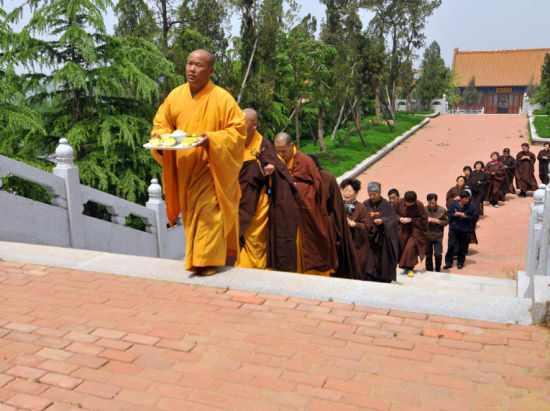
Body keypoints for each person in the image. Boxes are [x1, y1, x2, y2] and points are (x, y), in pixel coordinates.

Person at [150, 49, 246, 276]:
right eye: (189, 63)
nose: (192, 69)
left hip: (210, 168)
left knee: (209, 213)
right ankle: (197, 259)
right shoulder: (176, 95)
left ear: (211, 71)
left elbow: (237, 132)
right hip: (185, 169)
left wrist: (212, 139)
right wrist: (160, 136)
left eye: (198, 65)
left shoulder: (223, 98)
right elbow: (161, 122)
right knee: (192, 215)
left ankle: (206, 261)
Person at [236, 109, 299, 271]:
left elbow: (278, 169)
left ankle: (258, 271)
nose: (238, 127)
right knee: (239, 239)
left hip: (257, 205)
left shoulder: (262, 145)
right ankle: (244, 267)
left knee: (256, 242)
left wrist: (271, 170)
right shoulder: (234, 141)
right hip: (237, 202)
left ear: (254, 125)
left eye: (242, 124)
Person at [274, 132, 335, 276]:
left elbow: (317, 188)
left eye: (283, 151)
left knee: (308, 244)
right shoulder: (277, 161)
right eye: (278, 151)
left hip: (305, 213)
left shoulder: (305, 161)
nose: (281, 154)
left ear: (292, 146)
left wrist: (296, 187)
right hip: (285, 214)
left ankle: (311, 272)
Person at [309, 155, 361, 279]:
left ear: (317, 166)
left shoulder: (328, 178)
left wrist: (335, 227)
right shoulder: (302, 178)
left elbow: (336, 206)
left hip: (326, 224)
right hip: (308, 225)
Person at [362, 182, 400, 283]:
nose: (372, 197)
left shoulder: (386, 205)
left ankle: (383, 279)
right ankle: (369, 277)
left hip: (383, 240)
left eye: (374, 194)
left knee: (383, 261)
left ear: (379, 193)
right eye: (370, 194)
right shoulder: (365, 204)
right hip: (370, 240)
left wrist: (383, 221)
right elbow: (361, 217)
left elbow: (393, 220)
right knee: (369, 262)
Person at [340, 178, 370, 279]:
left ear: (356, 192)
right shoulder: (339, 206)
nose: (346, 194)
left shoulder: (361, 208)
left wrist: (354, 225)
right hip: (342, 246)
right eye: (344, 190)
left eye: (349, 191)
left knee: (356, 272)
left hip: (357, 247)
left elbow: (367, 227)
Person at [395, 191, 428, 277]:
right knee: (402, 247)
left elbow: (424, 219)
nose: (409, 205)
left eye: (411, 204)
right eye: (407, 203)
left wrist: (411, 219)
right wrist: (399, 218)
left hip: (415, 231)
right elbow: (393, 213)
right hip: (402, 230)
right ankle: (403, 266)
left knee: (411, 248)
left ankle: (410, 267)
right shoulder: (399, 202)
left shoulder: (419, 205)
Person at [444, 190, 478, 270]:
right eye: (465, 199)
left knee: (462, 248)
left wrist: (465, 216)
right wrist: (454, 214)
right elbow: (448, 214)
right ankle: (448, 263)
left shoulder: (471, 207)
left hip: (464, 230)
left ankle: (460, 262)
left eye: (467, 199)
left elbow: (473, 217)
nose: (466, 200)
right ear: (461, 199)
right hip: (453, 229)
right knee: (451, 246)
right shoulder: (454, 205)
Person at [425, 193, 449, 272]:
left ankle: (438, 269)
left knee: (438, 254)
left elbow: (446, 221)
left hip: (438, 235)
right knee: (428, 255)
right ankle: (429, 270)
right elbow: (419, 220)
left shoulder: (442, 210)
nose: (431, 205)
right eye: (429, 203)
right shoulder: (424, 210)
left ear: (436, 201)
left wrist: (439, 221)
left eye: (433, 203)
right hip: (427, 236)